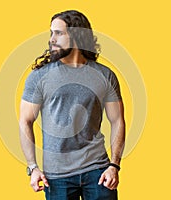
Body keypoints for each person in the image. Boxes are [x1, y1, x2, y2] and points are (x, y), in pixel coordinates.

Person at [19, 10, 125, 200]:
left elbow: (117, 120)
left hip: (98, 171)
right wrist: (33, 167)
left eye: (59, 33)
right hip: (57, 176)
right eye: (51, 33)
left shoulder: (105, 75)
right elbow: (25, 121)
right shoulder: (39, 77)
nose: (52, 39)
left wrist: (114, 165)